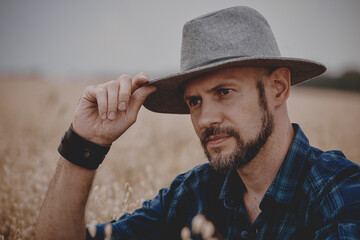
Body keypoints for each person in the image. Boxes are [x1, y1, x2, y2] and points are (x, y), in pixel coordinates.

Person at [35, 6, 360, 240]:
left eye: (224, 92)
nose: (205, 119)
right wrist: (85, 144)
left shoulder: (339, 193)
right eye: (194, 101)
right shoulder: (194, 193)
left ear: (278, 88)